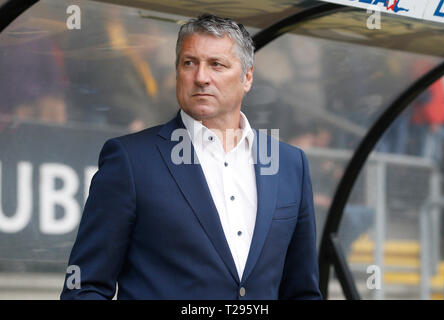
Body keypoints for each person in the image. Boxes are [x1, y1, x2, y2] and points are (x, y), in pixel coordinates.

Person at [60, 14, 321, 300]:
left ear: (247, 78)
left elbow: (302, 292)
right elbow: (84, 287)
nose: (200, 77)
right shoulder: (130, 161)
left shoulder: (290, 164)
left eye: (216, 65)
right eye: (189, 63)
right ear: (177, 73)